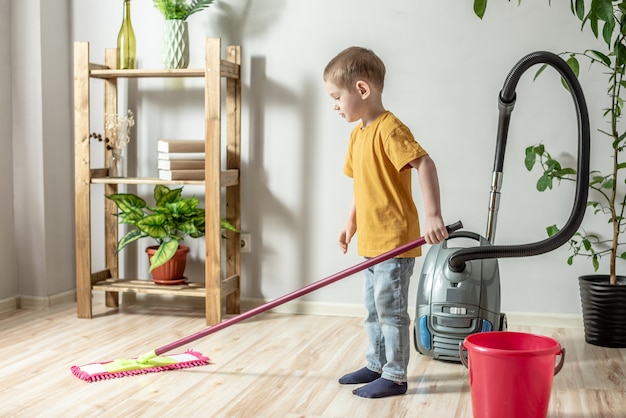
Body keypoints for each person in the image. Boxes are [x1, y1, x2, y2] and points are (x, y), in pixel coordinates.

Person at [323, 46, 448, 398]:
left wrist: (433, 215)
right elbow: (360, 186)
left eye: (336, 97)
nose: (334, 105)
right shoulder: (357, 135)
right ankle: (376, 364)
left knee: (390, 312)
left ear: (362, 90)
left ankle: (394, 376)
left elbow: (424, 164)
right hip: (372, 242)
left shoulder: (390, 129)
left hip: (395, 241)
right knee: (373, 309)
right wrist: (351, 223)